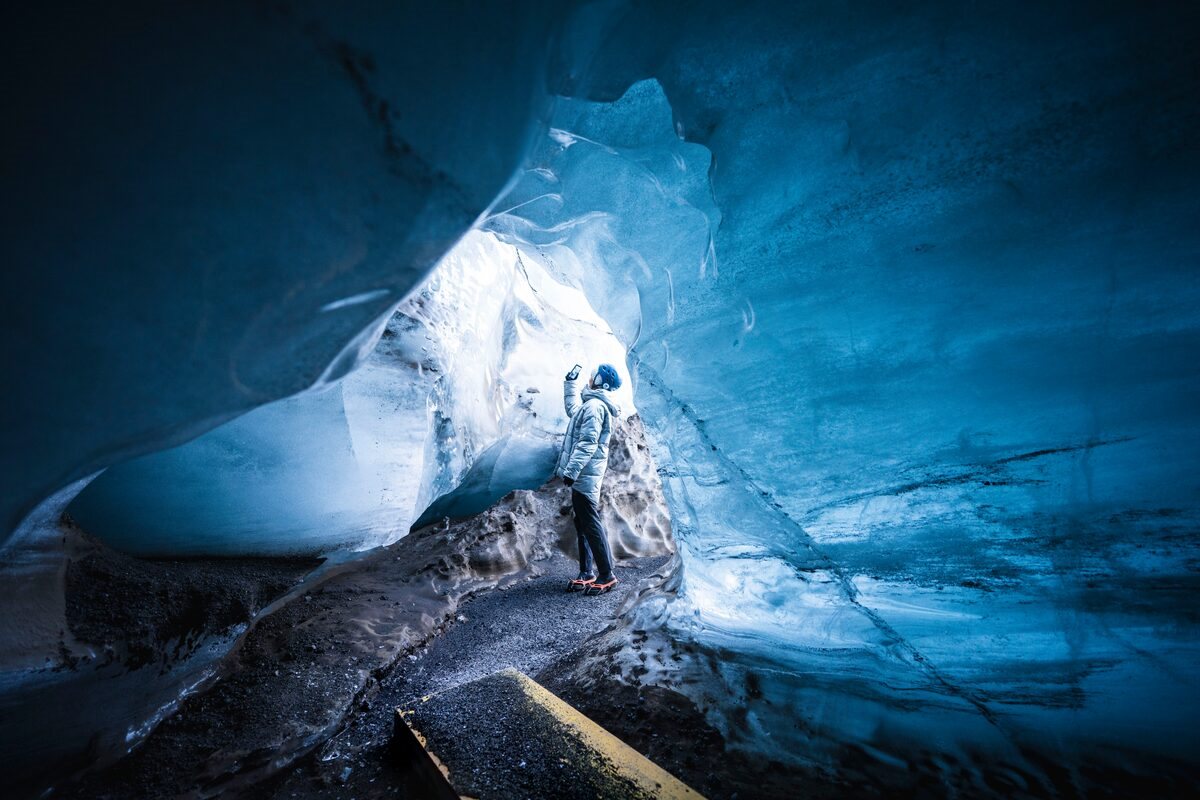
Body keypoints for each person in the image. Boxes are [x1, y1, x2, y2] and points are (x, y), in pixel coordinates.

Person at [557, 363, 623, 594]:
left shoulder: (595, 407)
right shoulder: (591, 405)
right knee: (582, 522)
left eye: (593, 375)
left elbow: (588, 443)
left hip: (585, 474)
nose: (589, 377)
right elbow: (573, 410)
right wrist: (570, 383)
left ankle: (606, 575)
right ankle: (586, 572)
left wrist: (571, 471)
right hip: (585, 474)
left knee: (590, 522)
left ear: (600, 382)